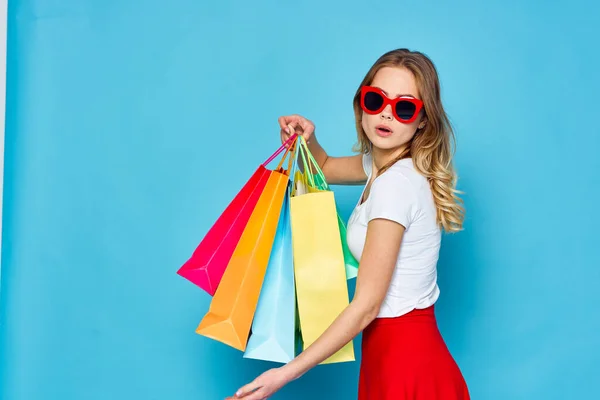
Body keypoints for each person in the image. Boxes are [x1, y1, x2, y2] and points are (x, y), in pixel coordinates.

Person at [228, 48, 470, 400]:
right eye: (376, 100)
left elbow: (366, 305)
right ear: (362, 105)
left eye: (404, 107)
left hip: (407, 359)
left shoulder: (396, 186)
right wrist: (307, 141)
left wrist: (285, 374)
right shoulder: (382, 166)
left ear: (422, 120)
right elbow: (324, 166)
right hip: (392, 353)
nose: (387, 113)